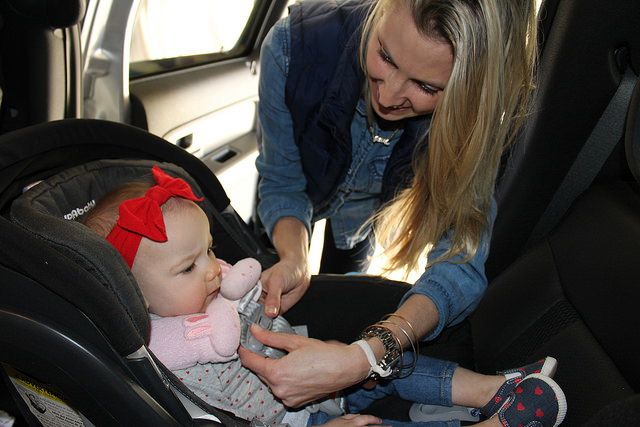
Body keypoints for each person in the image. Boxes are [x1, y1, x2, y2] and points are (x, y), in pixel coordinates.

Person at [83, 166, 567, 427]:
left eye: (209, 250)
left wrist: (266, 289)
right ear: (131, 291)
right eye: (190, 266)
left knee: (389, 362)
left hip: (314, 369)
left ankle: (491, 390)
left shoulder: (212, 286)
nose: (213, 269)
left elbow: (245, 288)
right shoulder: (157, 362)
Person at [246, 0, 539, 410]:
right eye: (384, 55)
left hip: (361, 221)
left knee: (346, 287)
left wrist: (368, 354)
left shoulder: (475, 121)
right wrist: (294, 258)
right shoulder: (292, 47)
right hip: (292, 212)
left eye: (427, 87)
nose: (388, 94)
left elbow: (459, 263)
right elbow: (282, 182)